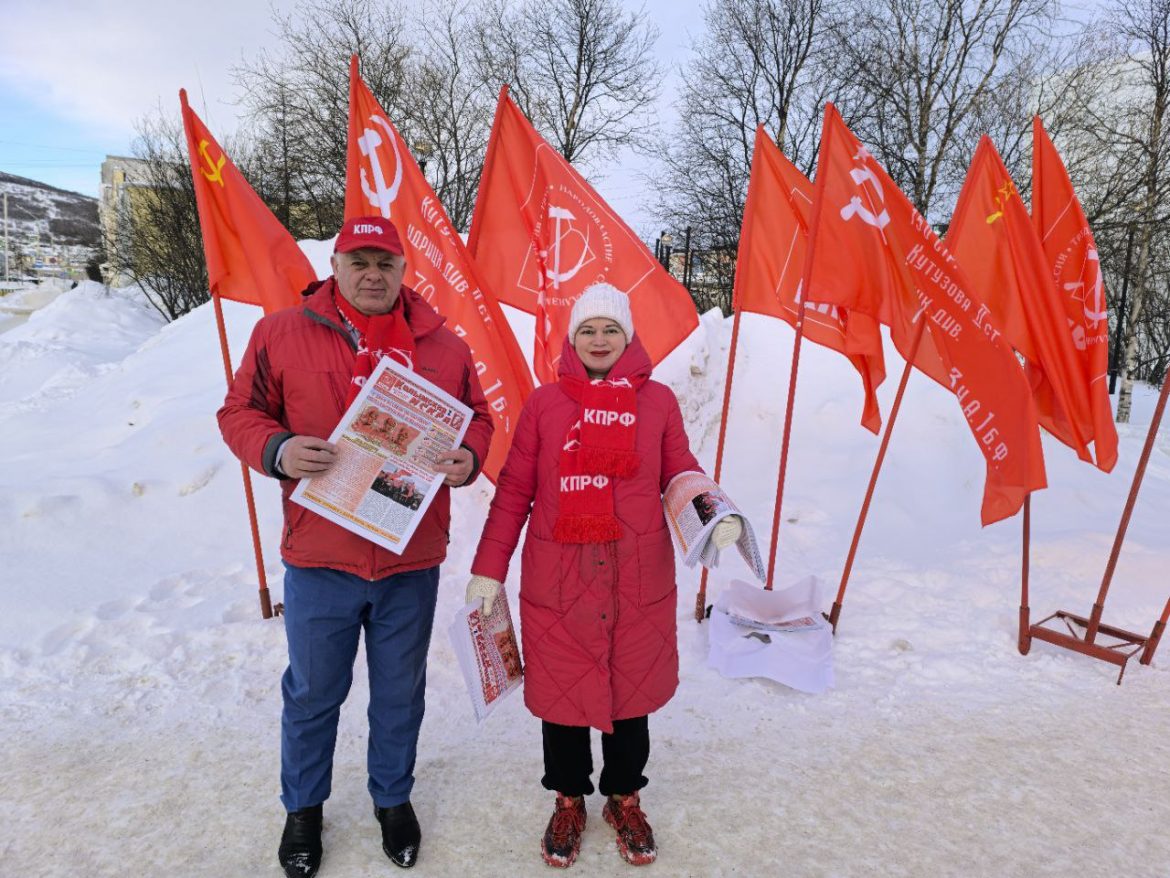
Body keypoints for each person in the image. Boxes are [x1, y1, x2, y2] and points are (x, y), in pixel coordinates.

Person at [218, 216, 493, 877]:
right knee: (313, 692)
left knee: (401, 692)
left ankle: (392, 800)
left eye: (386, 263)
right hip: (321, 556)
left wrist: (469, 457)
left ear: (404, 271)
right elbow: (238, 412)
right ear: (335, 266)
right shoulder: (280, 332)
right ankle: (303, 808)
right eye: (359, 261)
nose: (373, 274)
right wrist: (277, 449)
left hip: (409, 558)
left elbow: (478, 418)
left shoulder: (444, 345)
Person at [464, 284, 742, 868]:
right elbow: (515, 491)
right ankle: (569, 799)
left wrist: (711, 513)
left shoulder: (658, 403)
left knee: (629, 700)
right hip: (559, 580)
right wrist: (488, 569)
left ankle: (623, 797)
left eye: (609, 329)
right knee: (564, 702)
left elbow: (679, 473)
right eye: (587, 329)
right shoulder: (544, 405)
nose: (598, 339)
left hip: (634, 579)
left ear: (628, 337)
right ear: (572, 338)